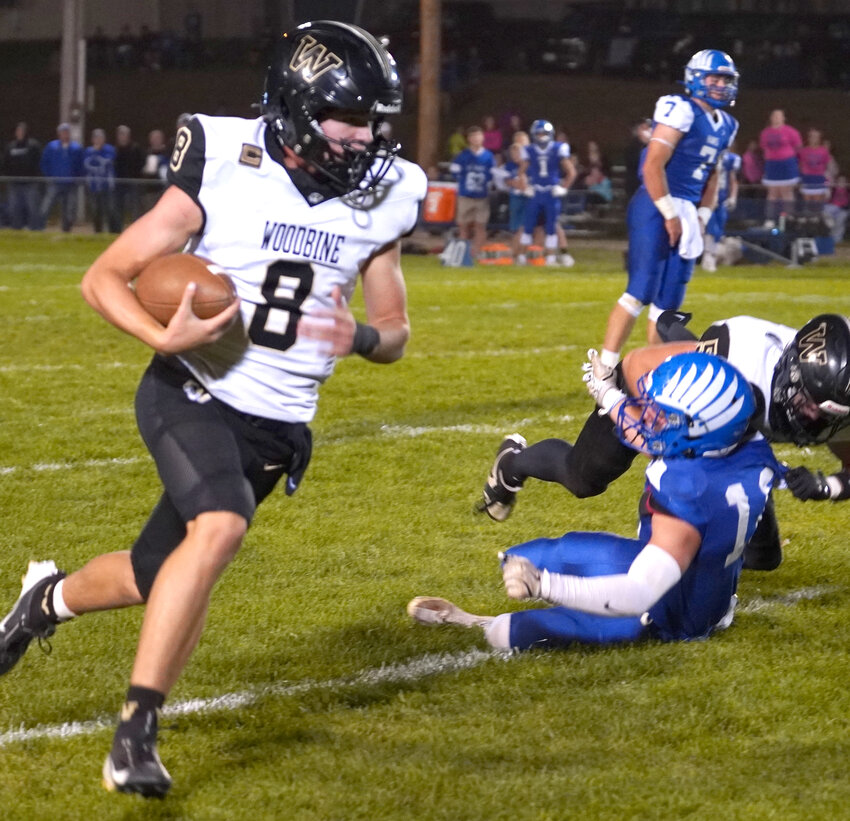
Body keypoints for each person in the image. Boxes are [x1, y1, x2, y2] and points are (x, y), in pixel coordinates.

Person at [0, 20, 427, 798]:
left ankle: (45, 599)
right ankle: (135, 731)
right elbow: (105, 276)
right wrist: (163, 331)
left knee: (156, 572)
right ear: (300, 108)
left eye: (374, 120)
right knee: (220, 525)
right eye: (352, 118)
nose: (368, 136)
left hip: (277, 422)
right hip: (192, 388)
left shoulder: (388, 193)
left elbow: (396, 332)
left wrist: (361, 334)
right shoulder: (227, 157)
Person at [413, 353, 782, 650]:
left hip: (667, 609)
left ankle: (478, 623)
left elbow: (640, 592)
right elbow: (652, 434)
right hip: (705, 583)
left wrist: (544, 585)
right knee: (522, 557)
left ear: (699, 431)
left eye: (664, 415)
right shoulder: (745, 446)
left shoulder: (692, 488)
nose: (651, 417)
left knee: (509, 632)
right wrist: (608, 392)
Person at [476, 312, 850, 574]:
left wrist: (826, 486)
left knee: (763, 557)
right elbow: (639, 362)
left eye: (829, 416)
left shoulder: (834, 401)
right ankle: (512, 463)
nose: (815, 420)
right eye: (809, 404)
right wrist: (655, 425)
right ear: (791, 373)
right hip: (661, 391)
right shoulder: (741, 356)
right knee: (583, 478)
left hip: (731, 427)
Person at [596, 49, 738, 371]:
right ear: (695, 79)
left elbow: (714, 173)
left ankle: (655, 371)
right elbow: (652, 166)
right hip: (656, 203)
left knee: (669, 302)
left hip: (687, 209)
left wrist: (702, 216)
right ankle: (603, 369)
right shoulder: (680, 109)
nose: (720, 85)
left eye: (725, 79)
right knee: (641, 288)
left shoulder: (728, 124)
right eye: (714, 77)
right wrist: (669, 213)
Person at [516, 119, 577, 267]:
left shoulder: (558, 148)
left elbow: (571, 172)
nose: (542, 136)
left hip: (551, 192)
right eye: (539, 133)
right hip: (536, 191)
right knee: (528, 225)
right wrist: (525, 188)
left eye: (544, 133)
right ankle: (521, 257)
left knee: (551, 226)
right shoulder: (529, 150)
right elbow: (521, 172)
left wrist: (564, 188)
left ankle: (550, 259)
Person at [449, 125, 495, 260]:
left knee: (480, 225)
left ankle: (477, 252)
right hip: (465, 195)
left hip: (481, 195)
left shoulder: (488, 156)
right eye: (473, 136)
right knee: (464, 225)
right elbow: (455, 172)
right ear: (469, 139)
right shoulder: (463, 156)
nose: (476, 139)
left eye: (478, 136)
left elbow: (492, 174)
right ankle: (463, 253)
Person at [759, 109, 802, 226]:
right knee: (772, 192)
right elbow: (763, 147)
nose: (776, 118)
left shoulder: (791, 131)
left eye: (779, 116)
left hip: (787, 164)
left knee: (786, 192)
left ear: (783, 118)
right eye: (774, 116)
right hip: (772, 165)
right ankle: (770, 219)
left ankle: (789, 218)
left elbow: (798, 147)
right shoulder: (765, 132)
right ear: (771, 118)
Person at [39, 122, 84, 232]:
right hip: (55, 182)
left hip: (70, 184)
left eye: (66, 132)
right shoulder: (52, 146)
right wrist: (49, 176)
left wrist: (78, 179)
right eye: (62, 132)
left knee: (68, 209)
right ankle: (39, 228)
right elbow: (44, 162)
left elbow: (80, 165)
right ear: (59, 133)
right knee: (46, 206)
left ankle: (66, 230)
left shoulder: (76, 148)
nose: (65, 134)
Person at [701, 147, 740, 272]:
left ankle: (712, 255)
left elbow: (733, 180)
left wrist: (733, 197)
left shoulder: (730, 159)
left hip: (722, 198)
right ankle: (708, 256)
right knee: (711, 228)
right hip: (709, 197)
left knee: (719, 228)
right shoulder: (708, 155)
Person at [2, 121, 42, 230]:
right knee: (14, 208)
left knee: (32, 208)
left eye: (22, 131)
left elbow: (38, 162)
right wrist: (8, 175)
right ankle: (16, 229)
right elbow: (5, 163)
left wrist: (35, 175)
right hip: (14, 183)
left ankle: (35, 229)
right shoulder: (11, 146)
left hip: (30, 183)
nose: (20, 133)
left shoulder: (33, 145)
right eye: (18, 131)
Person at [83, 128, 119, 233]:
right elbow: (86, 164)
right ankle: (98, 232)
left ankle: (114, 232)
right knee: (96, 211)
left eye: (100, 137)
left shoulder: (109, 149)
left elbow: (107, 161)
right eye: (95, 137)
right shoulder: (88, 151)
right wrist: (96, 157)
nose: (98, 140)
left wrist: (96, 157)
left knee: (110, 210)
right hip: (93, 186)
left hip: (107, 185)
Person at [113, 124, 144, 230]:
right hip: (119, 183)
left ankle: (135, 229)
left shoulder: (135, 148)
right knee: (118, 208)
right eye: (120, 134)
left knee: (134, 208)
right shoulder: (115, 150)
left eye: (124, 134)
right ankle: (117, 230)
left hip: (133, 182)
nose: (122, 136)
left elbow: (141, 163)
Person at [797, 128, 833, 214]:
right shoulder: (803, 151)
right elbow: (799, 165)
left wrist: (828, 179)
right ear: (808, 138)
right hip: (807, 178)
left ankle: (817, 221)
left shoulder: (824, 151)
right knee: (807, 204)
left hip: (819, 178)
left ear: (819, 138)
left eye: (816, 137)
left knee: (817, 204)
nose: (814, 138)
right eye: (812, 136)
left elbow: (828, 165)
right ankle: (807, 221)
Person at [622, 118, 652, 201]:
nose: (648, 131)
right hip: (636, 186)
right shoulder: (633, 147)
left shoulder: (652, 145)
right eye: (643, 128)